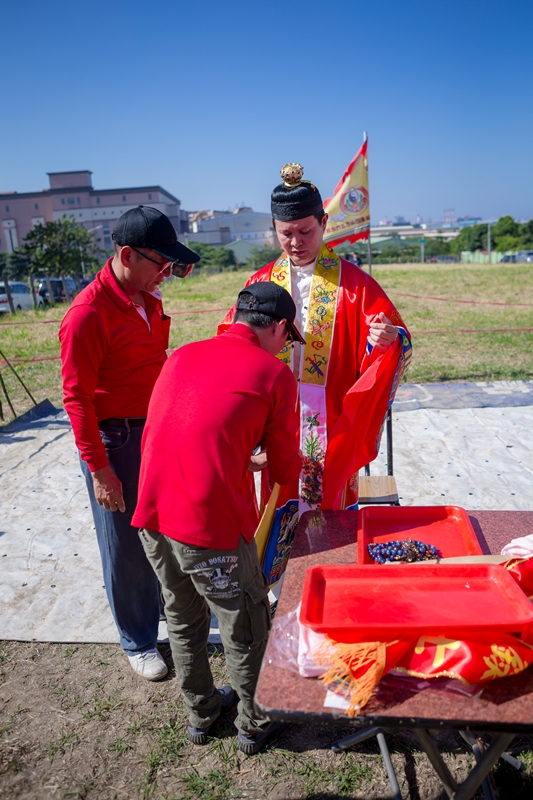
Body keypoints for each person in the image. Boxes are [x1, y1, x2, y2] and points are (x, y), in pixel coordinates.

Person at [219, 164, 412, 588]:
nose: (296, 242)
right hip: (275, 417)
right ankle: (282, 584)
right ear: (274, 230)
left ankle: (335, 577)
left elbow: (396, 338)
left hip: (333, 419)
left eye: (306, 231)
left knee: (331, 497)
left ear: (324, 224)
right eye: (286, 233)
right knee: (279, 495)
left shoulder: (356, 285)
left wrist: (384, 341)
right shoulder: (260, 283)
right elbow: (230, 340)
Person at [132, 281, 303, 754]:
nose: (285, 348)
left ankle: (202, 711)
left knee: (182, 616)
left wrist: (239, 457)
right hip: (209, 528)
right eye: (288, 339)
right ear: (280, 328)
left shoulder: (182, 355)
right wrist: (280, 460)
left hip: (152, 516)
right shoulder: (274, 375)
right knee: (244, 621)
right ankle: (256, 720)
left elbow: (185, 430)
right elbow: (285, 469)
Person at [59, 205, 200, 680]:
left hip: (155, 430)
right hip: (115, 439)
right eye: (161, 263)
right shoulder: (86, 315)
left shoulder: (146, 295)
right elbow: (76, 399)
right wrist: (100, 471)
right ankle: (137, 639)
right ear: (126, 255)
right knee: (123, 542)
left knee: (160, 528)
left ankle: (159, 609)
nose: (167, 273)